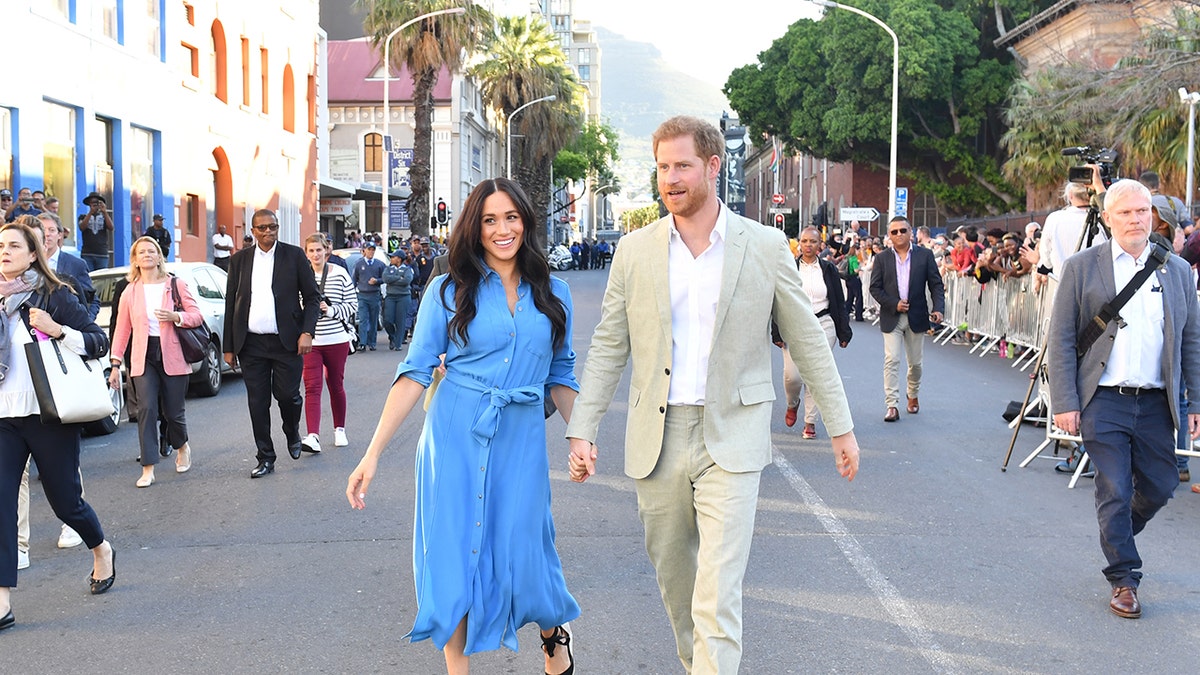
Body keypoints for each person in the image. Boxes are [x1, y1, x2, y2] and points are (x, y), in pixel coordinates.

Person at [566, 116, 860, 673]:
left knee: (718, 595)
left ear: (713, 167)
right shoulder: (634, 251)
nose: (670, 178)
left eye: (682, 165)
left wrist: (841, 427)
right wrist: (583, 428)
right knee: (679, 589)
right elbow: (609, 345)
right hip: (659, 437)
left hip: (734, 435)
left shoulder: (766, 245)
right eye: (661, 167)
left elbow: (807, 341)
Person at [346, 178, 580, 675]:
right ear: (474, 228)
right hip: (454, 434)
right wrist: (372, 455)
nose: (502, 229)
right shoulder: (448, 289)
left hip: (519, 437)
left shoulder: (554, 291)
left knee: (527, 546)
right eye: (490, 220)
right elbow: (413, 373)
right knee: (452, 555)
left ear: (526, 222)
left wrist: (579, 435)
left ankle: (552, 631)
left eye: (511, 217)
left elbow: (561, 374)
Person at [1047, 179, 1200, 619]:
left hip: (1155, 402)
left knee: (1160, 486)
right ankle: (1124, 578)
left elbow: (1191, 339)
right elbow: (1059, 339)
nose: (1136, 219)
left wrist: (1197, 403)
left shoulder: (1176, 271)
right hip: (1103, 399)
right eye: (1126, 213)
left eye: (1143, 211)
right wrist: (1064, 401)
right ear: (1108, 218)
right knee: (1113, 486)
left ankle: (1117, 533)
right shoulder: (1082, 267)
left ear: (1153, 216)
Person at [0, 222, 117, 631]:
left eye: (14, 245)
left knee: (65, 502)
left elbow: (97, 342)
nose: (5, 251)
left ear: (34, 254)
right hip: (4, 420)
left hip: (49, 416)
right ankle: (2, 602)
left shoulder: (55, 294)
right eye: (0, 245)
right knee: (0, 506)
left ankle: (101, 548)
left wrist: (58, 330)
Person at [223, 209, 320, 479]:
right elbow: (232, 303)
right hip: (251, 344)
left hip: (287, 342)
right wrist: (228, 347)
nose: (268, 232)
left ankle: (292, 431)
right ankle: (265, 456)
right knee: (258, 402)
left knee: (288, 396)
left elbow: (312, 298)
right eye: (262, 228)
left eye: (273, 227)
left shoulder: (294, 256)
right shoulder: (240, 260)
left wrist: (307, 332)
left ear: (278, 228)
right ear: (253, 231)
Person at [108, 237, 202, 487]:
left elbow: (196, 316)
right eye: (142, 252)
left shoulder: (175, 284)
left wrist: (176, 316)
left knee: (174, 413)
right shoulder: (130, 290)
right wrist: (116, 363)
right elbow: (122, 329)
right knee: (146, 409)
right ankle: (148, 467)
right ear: (135, 260)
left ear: (160, 257)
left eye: (152, 251)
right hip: (143, 355)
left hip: (172, 352)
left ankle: (181, 445)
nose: (147, 255)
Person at [776, 226, 853, 438]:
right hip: (794, 323)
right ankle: (793, 403)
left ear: (821, 245)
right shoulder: (789, 267)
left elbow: (839, 301)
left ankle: (810, 421)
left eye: (813, 241)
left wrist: (843, 332)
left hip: (823, 323)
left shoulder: (828, 270)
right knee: (793, 376)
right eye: (804, 241)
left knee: (815, 373)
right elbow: (778, 299)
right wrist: (776, 332)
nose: (808, 245)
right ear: (799, 243)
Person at [869, 215, 945, 422]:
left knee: (915, 364)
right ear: (889, 236)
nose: (899, 234)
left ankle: (912, 394)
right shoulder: (882, 258)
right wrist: (894, 303)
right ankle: (891, 404)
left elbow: (936, 284)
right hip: (892, 316)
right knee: (892, 359)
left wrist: (938, 308)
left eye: (903, 230)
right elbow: (874, 288)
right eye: (894, 232)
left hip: (917, 316)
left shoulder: (925, 255)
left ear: (911, 232)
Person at [300, 233, 355, 454]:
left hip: (336, 339)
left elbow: (352, 305)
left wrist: (330, 310)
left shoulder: (340, 274)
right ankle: (313, 435)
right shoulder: (301, 275)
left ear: (327, 251)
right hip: (311, 341)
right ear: (306, 253)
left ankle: (339, 429)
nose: (315, 254)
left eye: (319, 250)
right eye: (311, 250)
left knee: (335, 385)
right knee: (312, 387)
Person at [350, 241, 384, 351]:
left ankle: (372, 342)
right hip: (362, 295)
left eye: (373, 249)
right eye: (369, 249)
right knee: (363, 319)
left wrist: (377, 281)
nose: (371, 252)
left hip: (374, 295)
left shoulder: (379, 264)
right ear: (364, 251)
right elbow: (354, 279)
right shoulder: (359, 264)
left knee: (374, 320)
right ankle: (362, 343)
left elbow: (385, 278)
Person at [381, 250, 413, 350]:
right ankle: (392, 336)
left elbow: (407, 280)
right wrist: (399, 278)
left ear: (399, 259)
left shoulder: (407, 269)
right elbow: (385, 279)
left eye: (393, 257)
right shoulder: (388, 268)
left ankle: (398, 344)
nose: (391, 259)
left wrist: (393, 280)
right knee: (387, 320)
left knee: (400, 320)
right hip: (391, 296)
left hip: (403, 296)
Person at [77, 191, 113, 272]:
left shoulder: (104, 217)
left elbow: (111, 227)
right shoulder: (83, 217)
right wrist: (90, 213)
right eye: (93, 203)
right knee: (89, 276)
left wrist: (105, 212)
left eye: (97, 202)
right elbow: (82, 227)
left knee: (102, 279)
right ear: (89, 204)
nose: (95, 205)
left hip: (102, 253)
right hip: (87, 253)